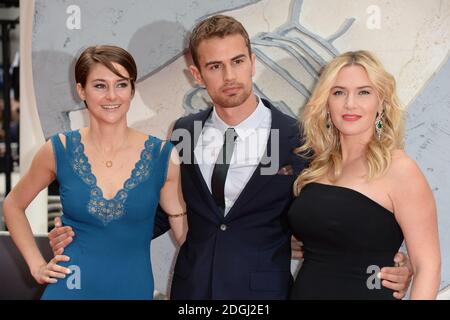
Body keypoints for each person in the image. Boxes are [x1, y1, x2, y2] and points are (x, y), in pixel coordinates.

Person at [48, 16, 412, 300]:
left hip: (264, 293)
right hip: (193, 292)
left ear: (253, 62)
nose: (229, 75)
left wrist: (388, 260)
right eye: (215, 66)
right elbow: (159, 209)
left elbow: (338, 208)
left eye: (237, 61)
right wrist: (86, 231)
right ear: (197, 74)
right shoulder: (183, 131)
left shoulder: (299, 138)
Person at [3, 45, 187, 300]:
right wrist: (36, 265)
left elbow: (185, 236)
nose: (112, 95)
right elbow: (12, 205)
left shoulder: (163, 157)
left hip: (132, 291)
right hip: (68, 289)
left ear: (132, 89)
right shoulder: (58, 150)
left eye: (121, 84)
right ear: (81, 90)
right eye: (100, 85)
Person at [288, 50, 441, 299]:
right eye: (339, 92)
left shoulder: (399, 169)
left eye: (364, 92)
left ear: (381, 102)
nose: (350, 103)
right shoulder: (317, 168)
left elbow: (428, 267)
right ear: (326, 102)